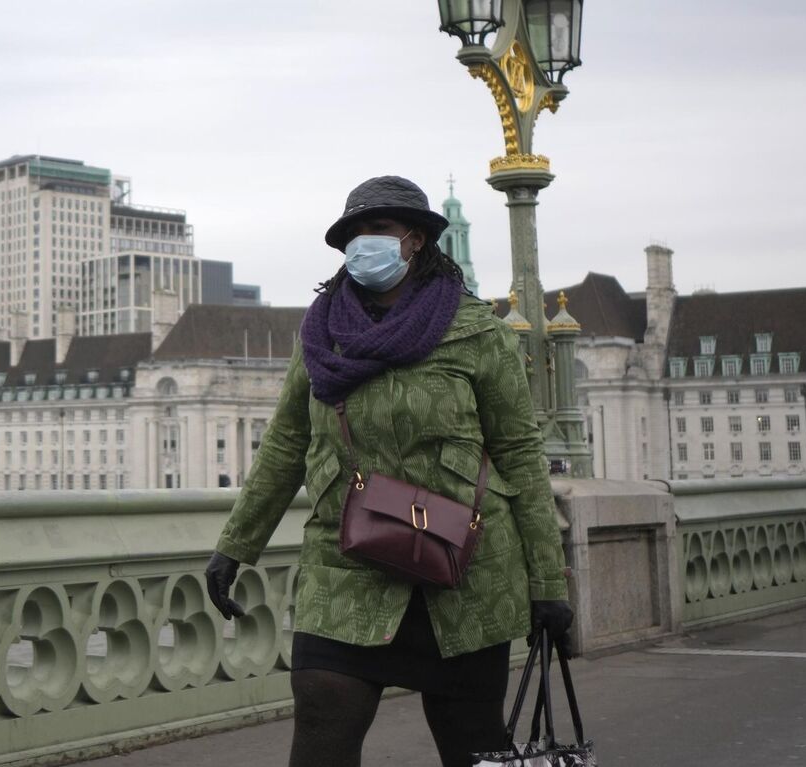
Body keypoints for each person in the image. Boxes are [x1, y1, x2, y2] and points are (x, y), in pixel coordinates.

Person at [203, 175, 572, 767]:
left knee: (471, 743)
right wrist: (236, 545)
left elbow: (521, 457)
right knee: (323, 713)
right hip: (348, 560)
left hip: (463, 570)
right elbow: (286, 444)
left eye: (377, 230)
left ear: (417, 240)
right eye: (352, 232)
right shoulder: (321, 335)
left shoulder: (479, 335)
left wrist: (548, 584)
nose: (361, 244)